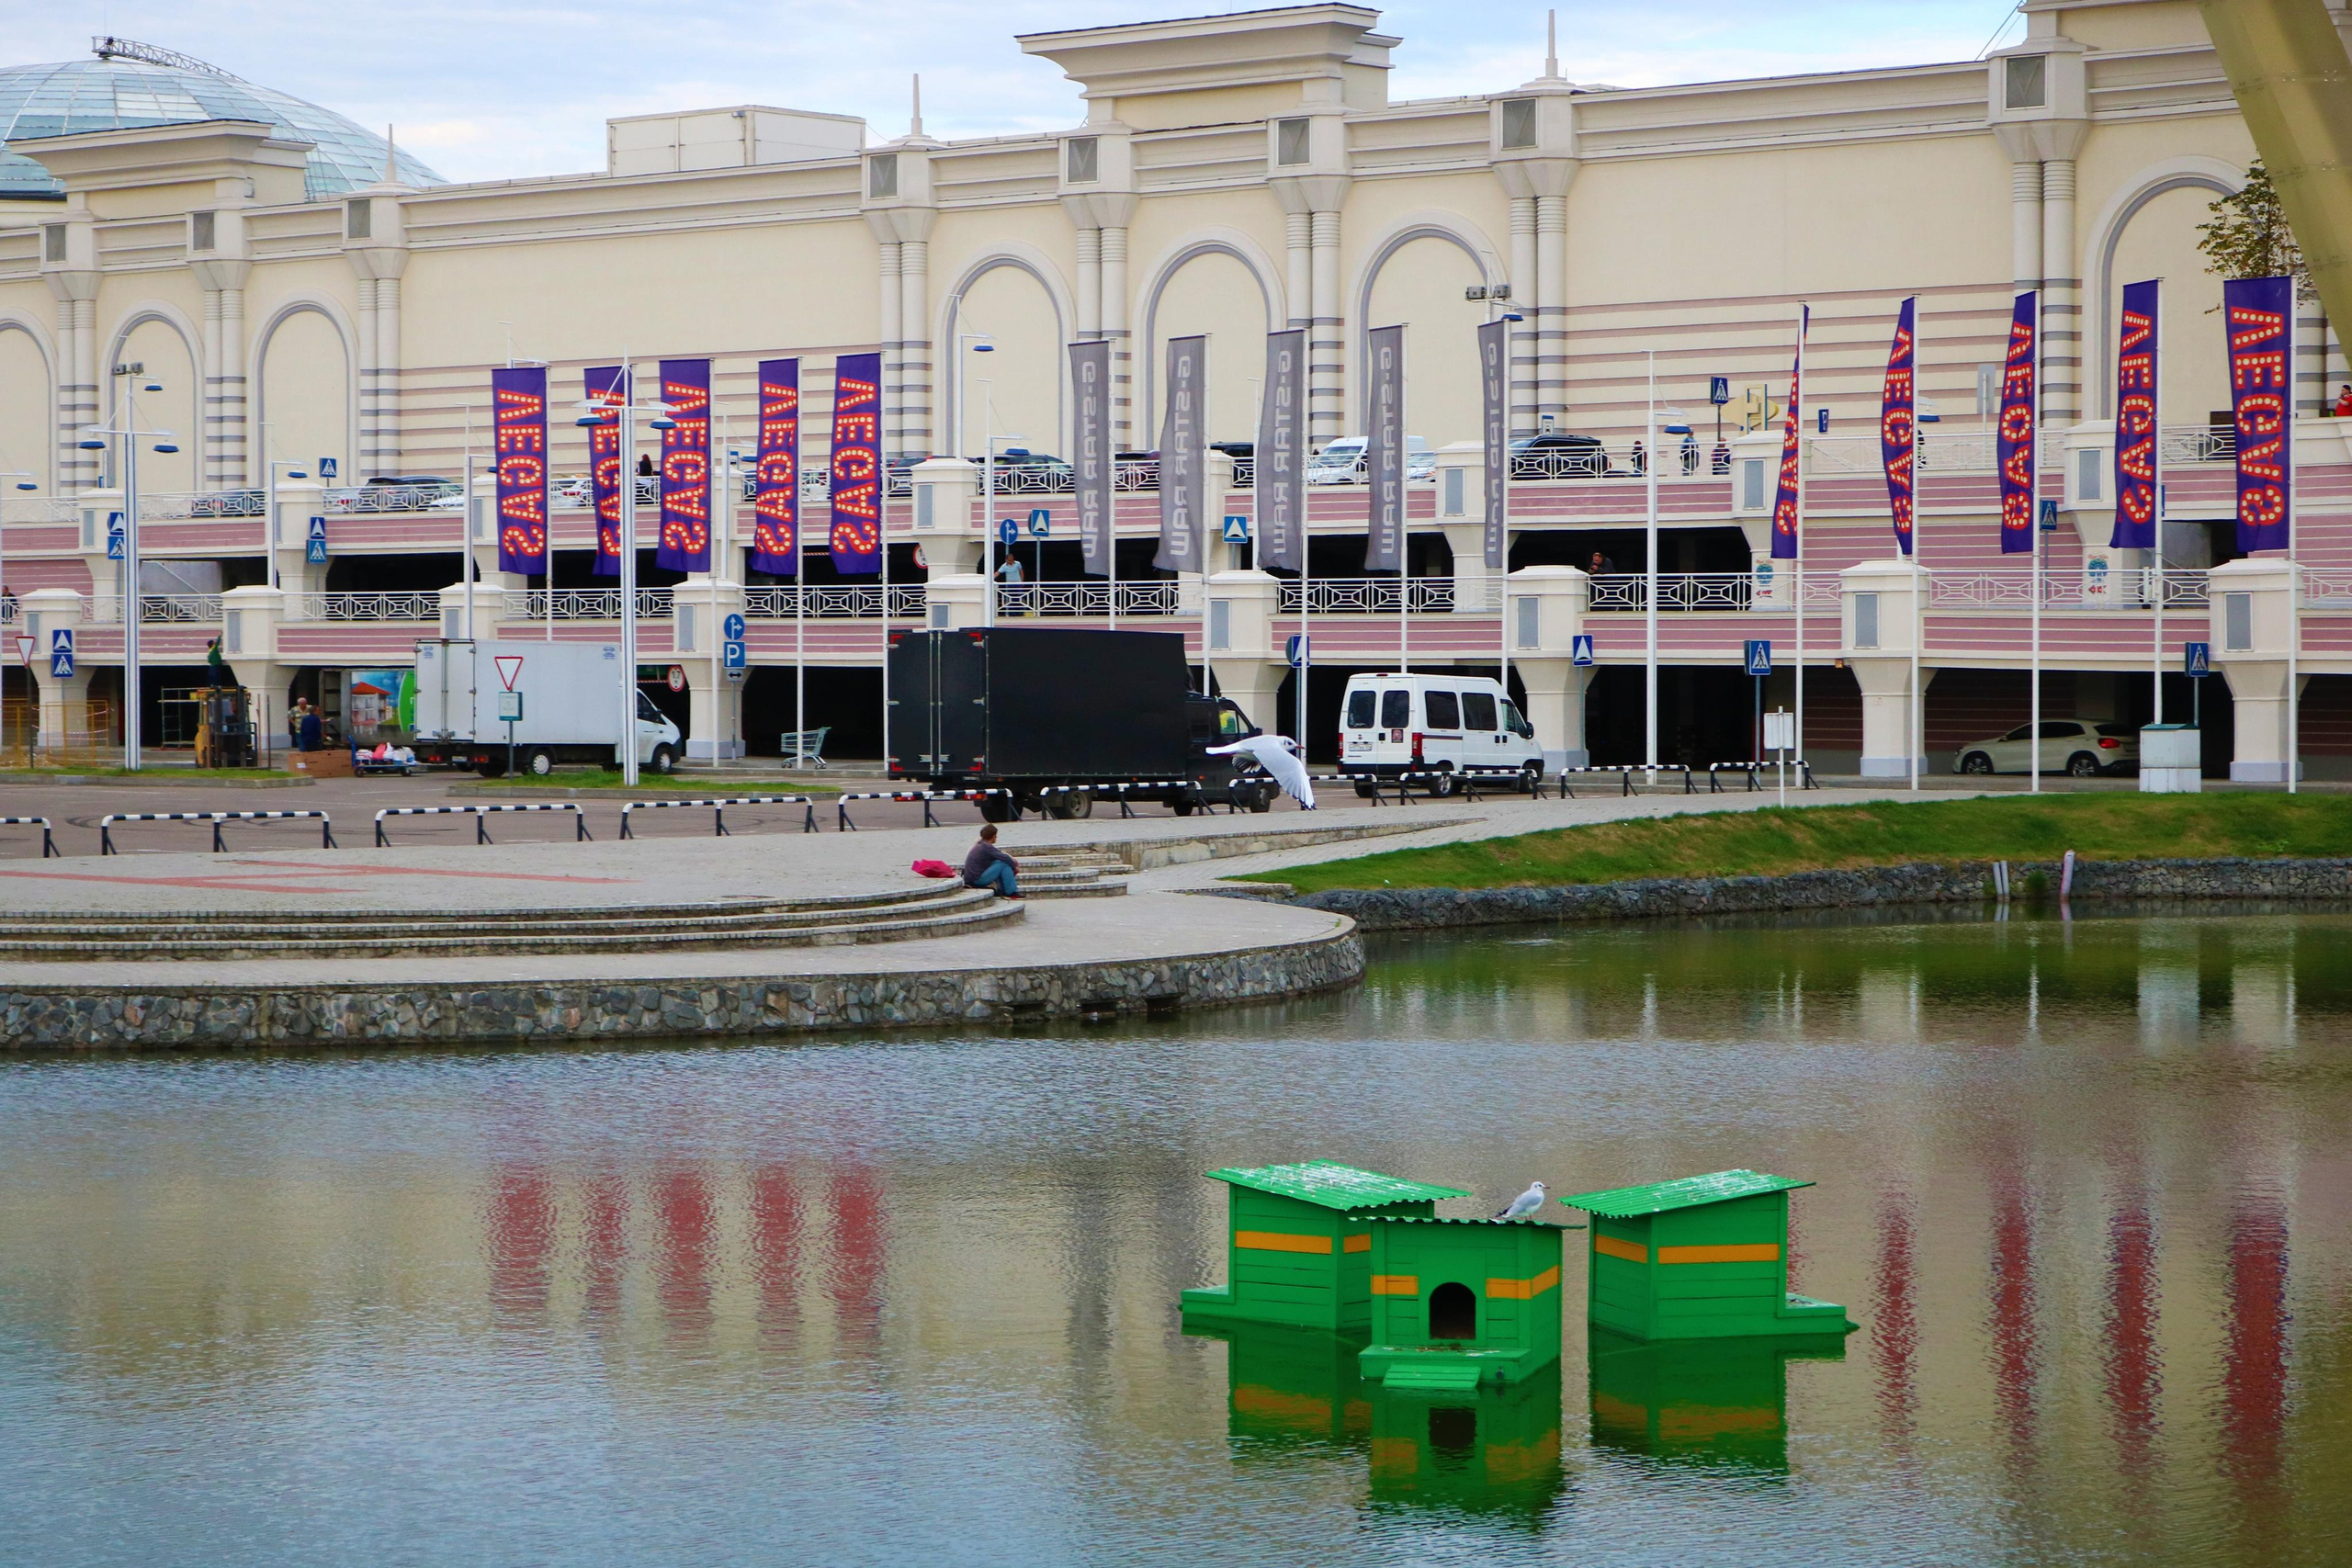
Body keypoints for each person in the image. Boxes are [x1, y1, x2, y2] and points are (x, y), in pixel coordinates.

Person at [962, 823, 1021, 898]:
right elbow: (1005, 858)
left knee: (998, 863)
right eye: (996, 836)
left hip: (971, 879)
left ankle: (1004, 890)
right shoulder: (987, 847)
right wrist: (1014, 867)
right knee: (1003, 864)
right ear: (993, 837)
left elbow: (1000, 855)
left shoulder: (981, 845)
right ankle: (1011, 892)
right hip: (976, 880)